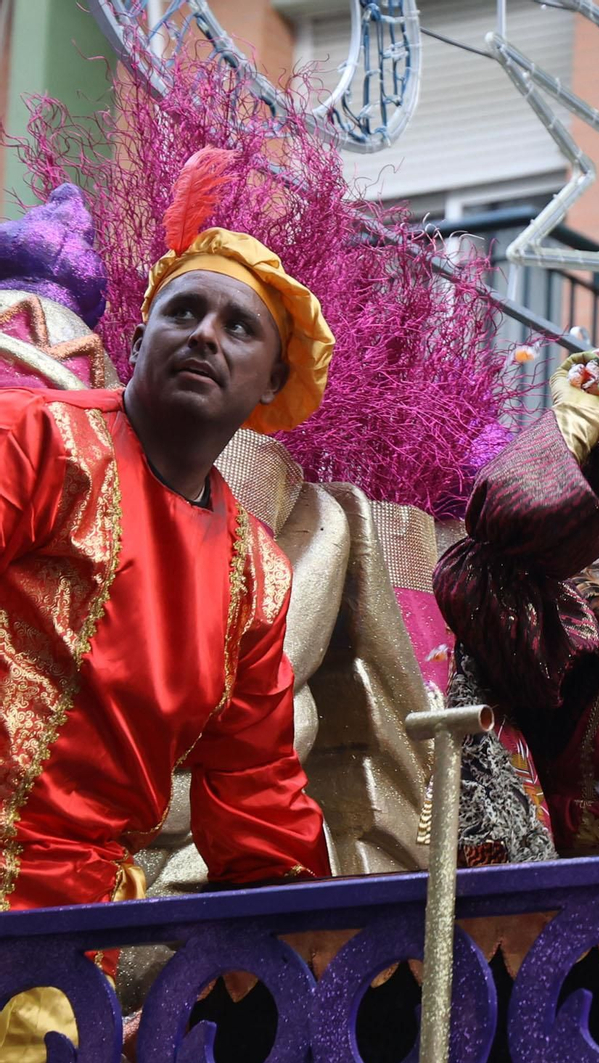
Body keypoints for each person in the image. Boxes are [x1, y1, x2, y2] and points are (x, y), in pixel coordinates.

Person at [0, 155, 334, 1054]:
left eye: (238, 326)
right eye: (183, 312)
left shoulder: (256, 577)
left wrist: (294, 962)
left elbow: (262, 801)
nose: (205, 334)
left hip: (65, 956)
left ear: (271, 384)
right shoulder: (39, 439)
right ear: (142, 333)